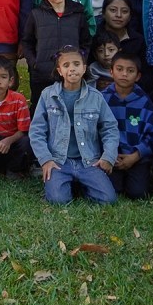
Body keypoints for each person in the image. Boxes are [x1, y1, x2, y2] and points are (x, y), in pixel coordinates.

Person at [30, 46, 118, 204]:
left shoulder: (96, 97)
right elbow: (36, 131)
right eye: (66, 65)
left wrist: (108, 157)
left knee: (108, 199)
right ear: (59, 70)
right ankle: (65, 183)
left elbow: (110, 128)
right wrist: (45, 160)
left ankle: (81, 183)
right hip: (58, 161)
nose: (72, 69)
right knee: (58, 200)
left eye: (76, 64)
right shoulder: (48, 95)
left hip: (89, 160)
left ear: (84, 68)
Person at [21, 0, 92, 110]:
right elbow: (27, 42)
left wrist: (81, 59)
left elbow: (86, 41)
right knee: (41, 108)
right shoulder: (36, 15)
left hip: (70, 73)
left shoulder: (77, 14)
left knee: (71, 107)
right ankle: (40, 133)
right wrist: (34, 63)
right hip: (42, 73)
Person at [102, 42, 153, 199]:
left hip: (136, 158)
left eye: (130, 71)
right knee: (113, 190)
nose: (124, 74)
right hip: (109, 157)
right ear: (111, 72)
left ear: (138, 76)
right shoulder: (102, 99)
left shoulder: (144, 102)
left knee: (138, 193)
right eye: (119, 69)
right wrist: (108, 154)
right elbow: (94, 130)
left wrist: (137, 155)